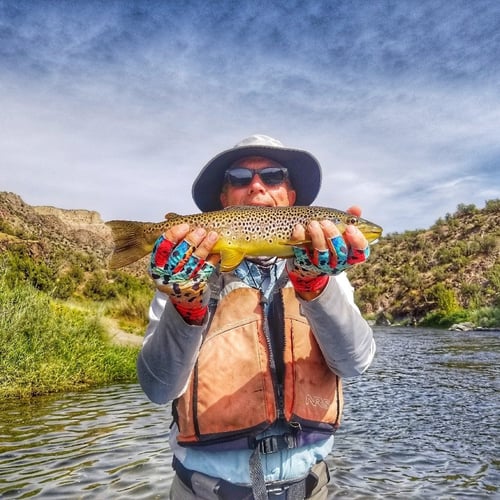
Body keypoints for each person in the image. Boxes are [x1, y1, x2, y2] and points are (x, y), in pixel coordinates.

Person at [137, 134, 376, 499]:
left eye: (274, 175)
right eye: (238, 177)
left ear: (291, 197)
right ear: (222, 200)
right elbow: (158, 389)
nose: (257, 186)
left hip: (310, 490)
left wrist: (316, 286)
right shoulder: (185, 273)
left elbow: (355, 363)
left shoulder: (326, 273)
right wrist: (184, 303)